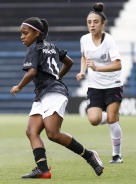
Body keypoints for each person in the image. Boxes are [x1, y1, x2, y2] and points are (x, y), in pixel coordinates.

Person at [10, 17, 104, 179]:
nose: (22, 36)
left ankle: (89, 155)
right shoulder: (52, 47)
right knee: (32, 131)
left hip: (52, 93)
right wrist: (57, 77)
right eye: (21, 34)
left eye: (25, 33)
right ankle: (43, 170)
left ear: (36, 33)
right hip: (44, 93)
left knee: (53, 133)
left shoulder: (35, 48)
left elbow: (31, 72)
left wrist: (19, 86)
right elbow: (69, 62)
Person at [76, 2, 123, 164]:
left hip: (113, 84)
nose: (92, 25)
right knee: (94, 120)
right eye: (89, 22)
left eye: (95, 22)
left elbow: (118, 64)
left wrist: (97, 68)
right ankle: (113, 116)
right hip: (95, 87)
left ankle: (116, 155)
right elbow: (84, 56)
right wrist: (82, 71)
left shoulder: (109, 40)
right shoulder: (84, 39)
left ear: (103, 24)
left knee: (111, 120)